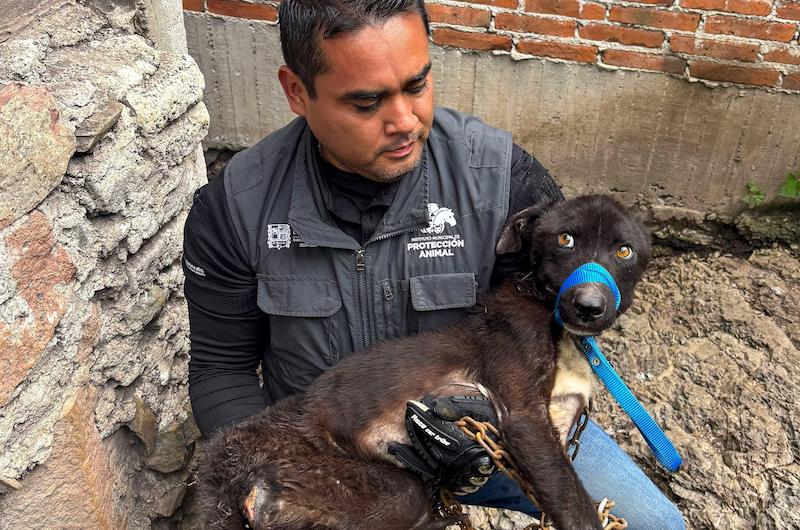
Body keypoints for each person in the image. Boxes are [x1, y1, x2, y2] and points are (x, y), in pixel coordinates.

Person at [182, 1, 684, 528]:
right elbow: (223, 369)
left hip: (497, 433)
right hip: (330, 447)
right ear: (297, 92)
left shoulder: (502, 181)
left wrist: (512, 423)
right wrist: (264, 472)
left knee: (656, 524)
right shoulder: (236, 207)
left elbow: (557, 320)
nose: (405, 122)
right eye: (366, 101)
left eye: (417, 85)